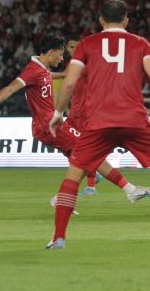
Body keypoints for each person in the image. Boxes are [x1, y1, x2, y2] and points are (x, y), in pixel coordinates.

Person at [47, 0, 150, 249]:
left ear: (101, 20)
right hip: (134, 120)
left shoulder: (87, 44)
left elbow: (69, 82)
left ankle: (58, 238)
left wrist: (58, 112)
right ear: (126, 20)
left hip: (98, 121)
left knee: (74, 175)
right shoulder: (140, 43)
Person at [0, 36, 150, 207]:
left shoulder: (41, 69)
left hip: (50, 126)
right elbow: (10, 88)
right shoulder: (32, 70)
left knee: (84, 162)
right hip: (49, 126)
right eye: (60, 53)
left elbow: (45, 77)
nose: (63, 57)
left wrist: (61, 74)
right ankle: (130, 190)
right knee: (91, 152)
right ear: (50, 52)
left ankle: (62, 199)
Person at [53, 35, 103, 196]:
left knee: (80, 147)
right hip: (75, 112)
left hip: (85, 113)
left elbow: (65, 77)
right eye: (70, 47)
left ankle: (91, 182)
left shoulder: (83, 63)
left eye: (76, 47)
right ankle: (92, 177)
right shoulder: (74, 64)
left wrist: (43, 74)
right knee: (71, 147)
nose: (72, 50)